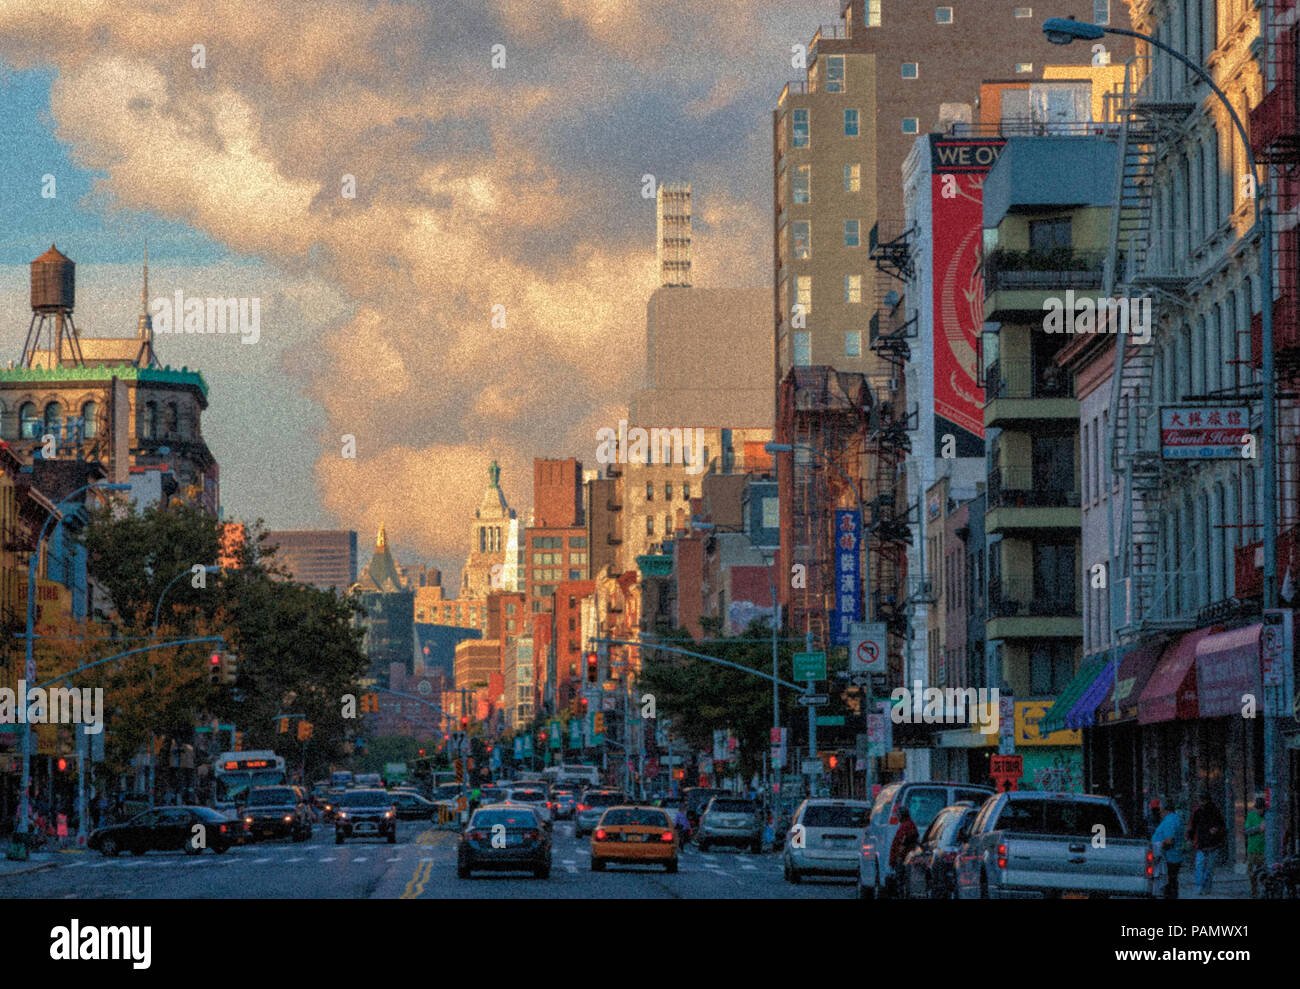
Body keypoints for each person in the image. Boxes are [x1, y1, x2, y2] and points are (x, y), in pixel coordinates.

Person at [1188, 789, 1227, 895]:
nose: (1201, 802)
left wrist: (1216, 829)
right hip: (1205, 843)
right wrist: (1191, 838)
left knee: (1205, 867)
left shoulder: (1213, 811)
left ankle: (1203, 887)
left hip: (1209, 843)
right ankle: (1202, 887)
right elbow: (1193, 826)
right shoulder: (1199, 811)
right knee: (1204, 867)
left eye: (1202, 800)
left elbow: (1222, 826)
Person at [1151, 796, 1185, 899]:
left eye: (1160, 808)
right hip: (1173, 857)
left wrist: (1158, 848)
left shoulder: (1170, 820)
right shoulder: (1175, 818)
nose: (1159, 811)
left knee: (1168, 885)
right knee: (1171, 884)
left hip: (1169, 858)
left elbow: (1169, 840)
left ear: (1164, 809)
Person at [888, 807, 919, 896]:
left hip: (903, 858)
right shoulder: (909, 825)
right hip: (905, 857)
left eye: (898, 815)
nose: (897, 817)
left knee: (901, 882)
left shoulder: (905, 826)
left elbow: (900, 843)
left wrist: (894, 859)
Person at [1246, 795, 1267, 898]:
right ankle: (1254, 893)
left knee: (1265, 875)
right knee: (1252, 874)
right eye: (1257, 808)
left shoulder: (1269, 816)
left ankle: (1264, 891)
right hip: (1253, 850)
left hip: (1265, 851)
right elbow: (1247, 831)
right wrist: (1259, 828)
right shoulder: (1251, 816)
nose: (1259, 811)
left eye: (1261, 809)